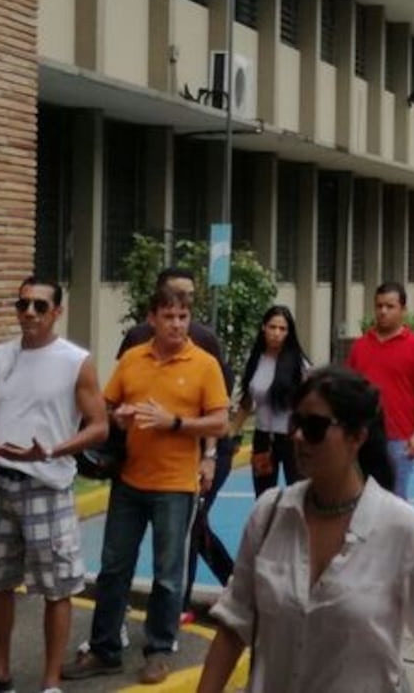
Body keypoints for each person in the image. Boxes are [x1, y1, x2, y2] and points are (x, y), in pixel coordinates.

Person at [195, 367, 414, 693]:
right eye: (296, 424)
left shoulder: (402, 529)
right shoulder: (270, 515)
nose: (300, 437)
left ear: (356, 437)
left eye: (315, 427)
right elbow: (234, 625)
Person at [63, 285, 230, 685]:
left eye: (183, 317)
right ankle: (104, 649)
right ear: (151, 319)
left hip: (175, 485)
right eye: (169, 316)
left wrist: (175, 423)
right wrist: (118, 416)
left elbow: (220, 422)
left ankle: (158, 650)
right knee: (114, 567)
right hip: (129, 480)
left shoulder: (204, 364)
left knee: (168, 573)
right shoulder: (133, 359)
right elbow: (107, 406)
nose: (176, 324)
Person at [0, 277, 109, 693]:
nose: (29, 313)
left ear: (57, 312)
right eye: (23, 304)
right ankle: (0, 676)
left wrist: (53, 450)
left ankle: (49, 684)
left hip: (47, 486)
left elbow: (100, 427)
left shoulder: (75, 361)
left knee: (56, 587)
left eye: (40, 306)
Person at [116, 266, 238, 626]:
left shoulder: (204, 341)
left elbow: (218, 406)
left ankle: (201, 597)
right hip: (144, 461)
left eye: (187, 304)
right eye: (174, 302)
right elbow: (122, 393)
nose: (180, 315)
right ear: (156, 308)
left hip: (200, 450)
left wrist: (210, 457)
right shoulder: (136, 340)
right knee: (191, 530)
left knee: (192, 528)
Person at [346, 282, 414, 501]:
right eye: (379, 306)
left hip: (400, 438)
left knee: (393, 498)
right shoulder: (360, 346)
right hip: (363, 435)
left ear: (403, 310)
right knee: (360, 495)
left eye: (390, 306)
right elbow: (349, 388)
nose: (383, 311)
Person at [231, 306, 310, 497]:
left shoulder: (299, 364)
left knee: (299, 495)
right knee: (264, 498)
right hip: (263, 438)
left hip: (292, 438)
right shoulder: (256, 359)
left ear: (289, 333)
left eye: (282, 329)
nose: (276, 333)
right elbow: (247, 400)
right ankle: (266, 528)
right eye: (272, 327)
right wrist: (233, 430)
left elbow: (312, 401)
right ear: (263, 328)